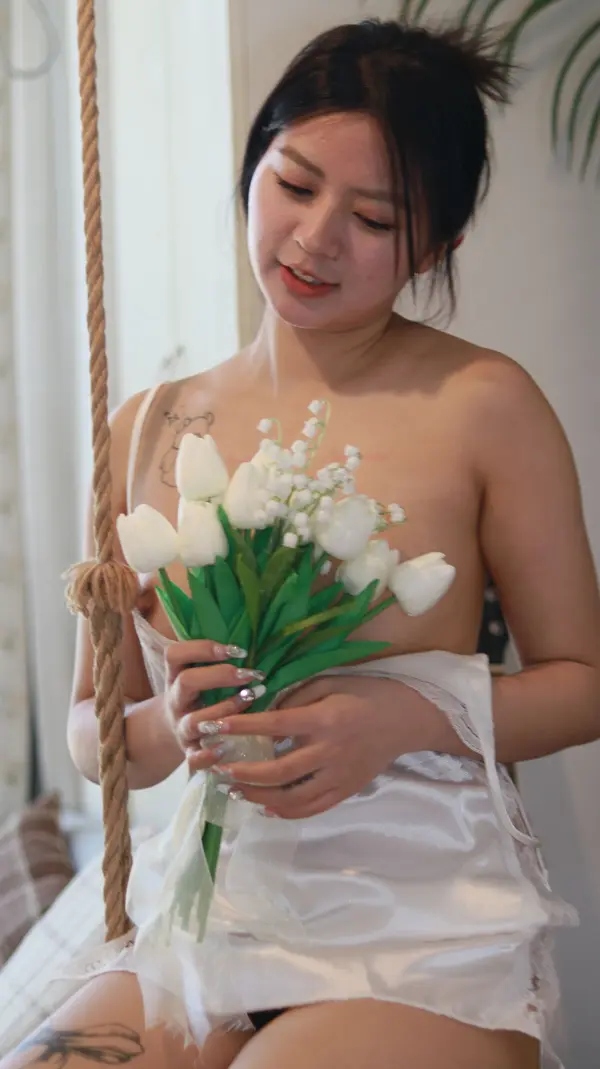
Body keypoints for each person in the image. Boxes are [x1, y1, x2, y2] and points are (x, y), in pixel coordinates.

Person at [4, 17, 600, 1069]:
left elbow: (584, 682)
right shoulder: (150, 427)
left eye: (373, 218)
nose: (316, 238)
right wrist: (171, 727)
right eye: (293, 182)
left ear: (438, 246)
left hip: (418, 918)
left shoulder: (484, 405)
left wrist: (404, 716)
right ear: (252, 168)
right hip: (209, 913)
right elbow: (96, 732)